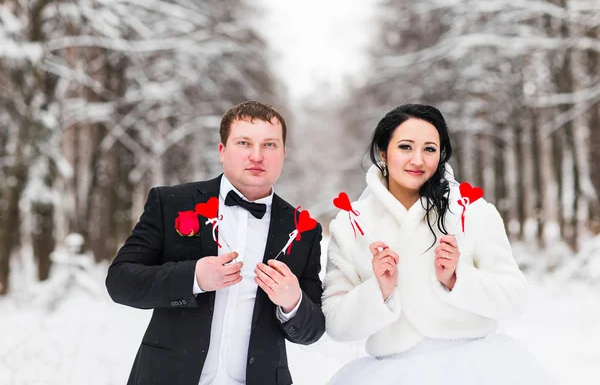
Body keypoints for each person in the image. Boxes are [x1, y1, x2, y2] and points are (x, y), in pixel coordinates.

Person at [322, 104, 554, 384]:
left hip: (476, 369)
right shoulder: (351, 225)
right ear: (383, 152)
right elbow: (336, 323)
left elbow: (514, 298)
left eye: (430, 149)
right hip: (390, 374)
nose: (418, 160)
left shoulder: (472, 211)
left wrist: (457, 279)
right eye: (406, 147)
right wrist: (379, 290)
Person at [106, 100, 325, 385]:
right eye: (244, 143)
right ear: (222, 151)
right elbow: (120, 282)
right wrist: (194, 276)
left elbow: (313, 331)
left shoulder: (302, 229)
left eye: (269, 145)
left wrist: (293, 303)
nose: (257, 156)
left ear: (283, 153)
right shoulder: (171, 203)